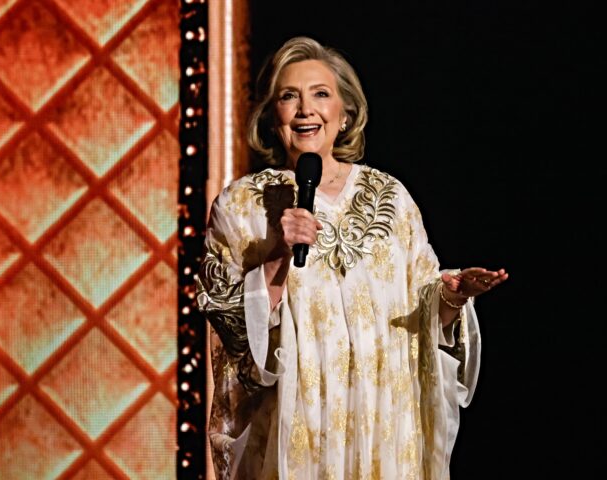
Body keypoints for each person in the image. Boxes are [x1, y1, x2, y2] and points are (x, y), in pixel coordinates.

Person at [196, 36, 509, 480]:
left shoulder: (391, 198)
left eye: (320, 94)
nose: (306, 109)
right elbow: (224, 318)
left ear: (345, 114)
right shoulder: (243, 204)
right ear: (273, 117)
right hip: (299, 430)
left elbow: (419, 314)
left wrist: (452, 296)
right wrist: (276, 262)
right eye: (289, 96)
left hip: (384, 426)